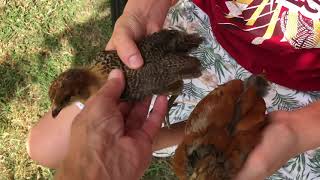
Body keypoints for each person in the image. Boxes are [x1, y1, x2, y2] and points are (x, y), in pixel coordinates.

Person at [27, 0, 320, 179]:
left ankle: (186, 132)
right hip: (211, 25)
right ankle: (181, 132)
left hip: (304, 91)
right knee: (45, 145)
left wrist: (295, 132)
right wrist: (143, 10)